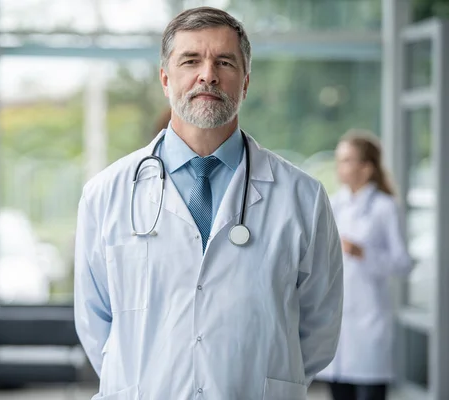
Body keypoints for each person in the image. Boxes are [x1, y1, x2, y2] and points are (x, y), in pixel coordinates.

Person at [74, 7, 343, 400]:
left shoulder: (302, 197)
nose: (208, 74)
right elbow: (94, 321)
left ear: (246, 82)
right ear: (166, 79)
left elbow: (320, 327)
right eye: (190, 61)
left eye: (224, 61)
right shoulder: (106, 194)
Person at [317, 130, 413, 400]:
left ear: (367, 167)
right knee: (339, 393)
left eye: (347, 160)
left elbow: (402, 264)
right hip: (338, 323)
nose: (340, 168)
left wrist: (362, 252)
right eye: (339, 160)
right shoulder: (333, 205)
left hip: (370, 322)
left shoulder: (385, 207)